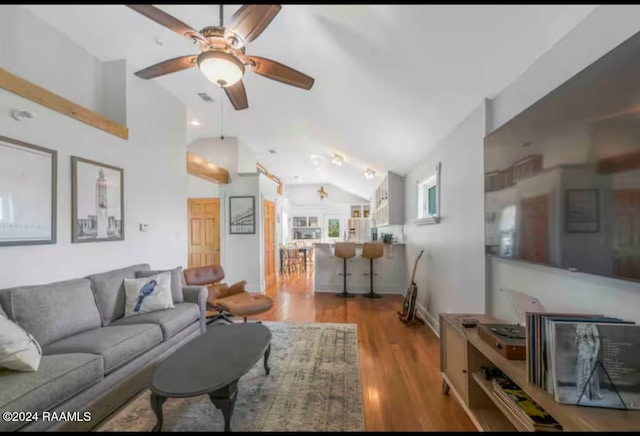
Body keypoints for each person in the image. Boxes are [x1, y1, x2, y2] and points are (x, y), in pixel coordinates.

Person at [575, 323, 601, 401]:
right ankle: (581, 392)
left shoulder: (592, 325)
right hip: (581, 351)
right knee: (580, 371)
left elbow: (597, 339)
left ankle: (589, 393)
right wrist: (578, 348)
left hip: (589, 350)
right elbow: (576, 338)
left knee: (589, 371)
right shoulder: (578, 324)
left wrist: (595, 353)